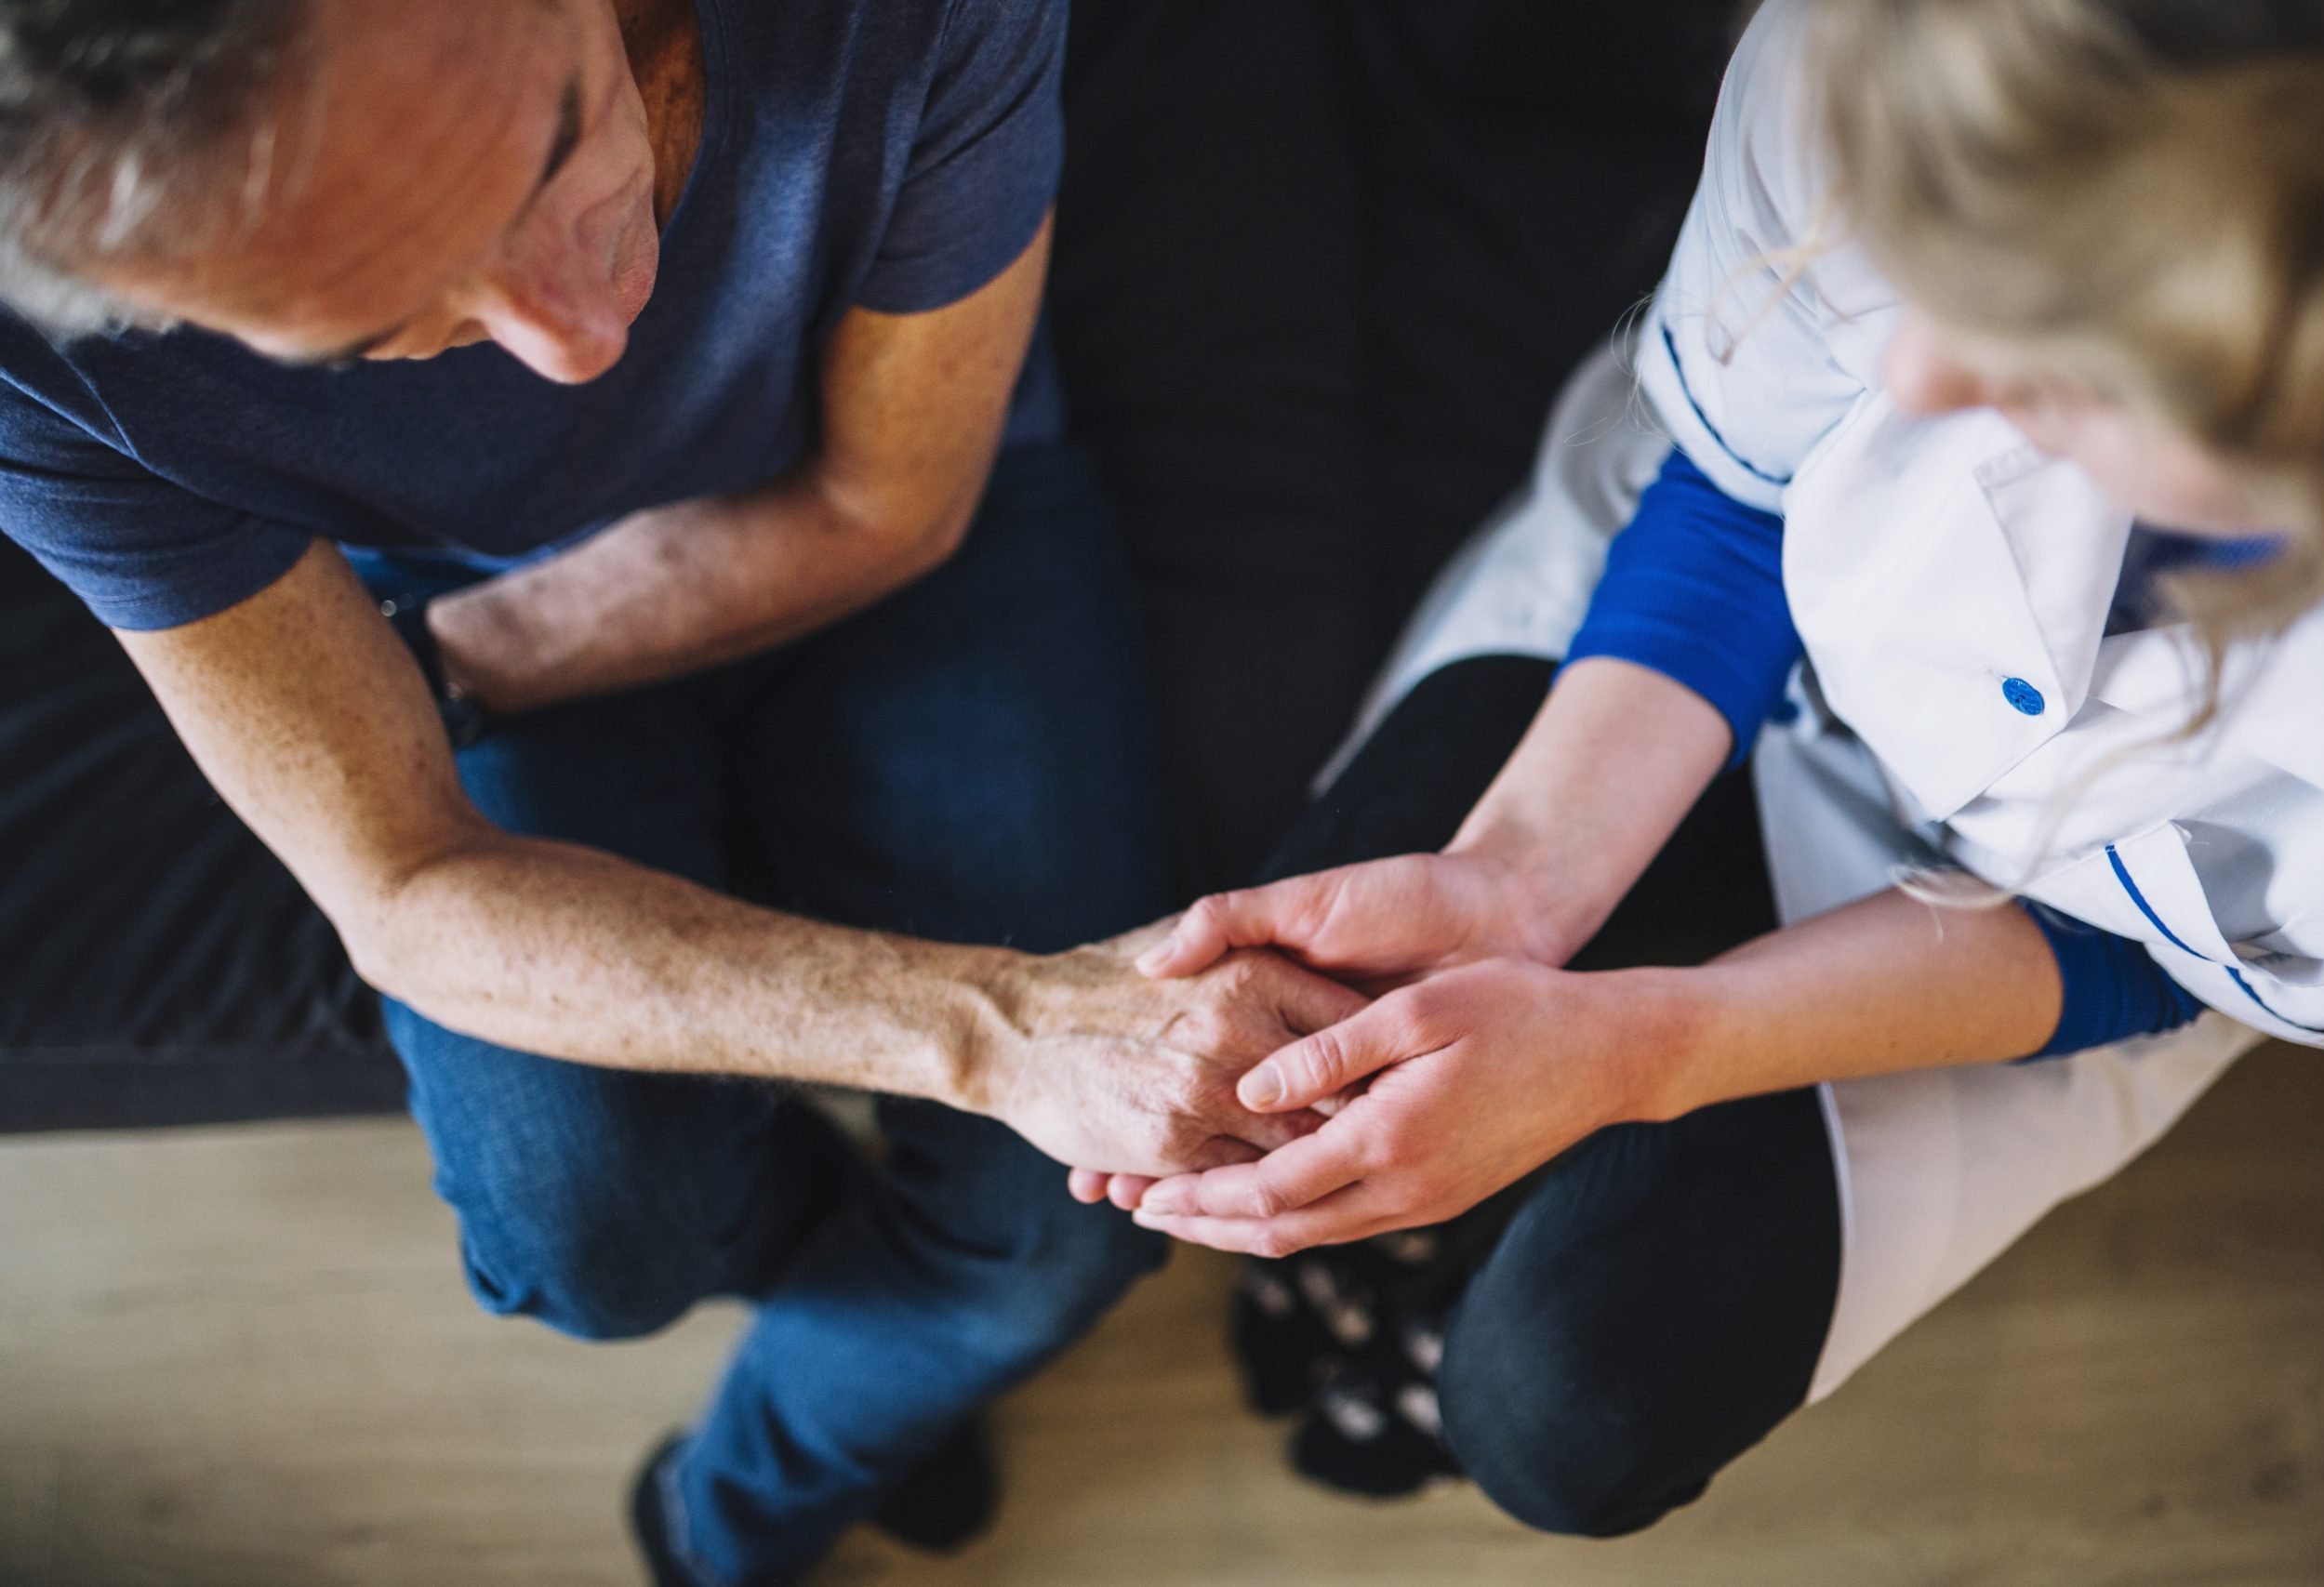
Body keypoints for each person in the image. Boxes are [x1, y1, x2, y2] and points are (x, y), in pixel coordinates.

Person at [0, 3, 1366, 1582]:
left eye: (546, 151)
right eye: (370, 326)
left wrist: (425, 684)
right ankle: (865, 1341)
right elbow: (398, 884)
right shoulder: (40, 369)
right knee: (592, 1245)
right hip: (445, 601)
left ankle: (744, 1504)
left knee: (1052, 1237)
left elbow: (884, 508)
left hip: (908, 518)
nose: (577, 339)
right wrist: (993, 1030)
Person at [1069, 0, 2324, 1534]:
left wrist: (1642, 1047)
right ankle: (1379, 1264)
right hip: (1698, 645)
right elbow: (1744, 493)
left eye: (2060, 341)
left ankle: (1439, 1358)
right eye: (1929, 253)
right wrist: (1522, 876)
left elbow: (2171, 955)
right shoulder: (1889, 44)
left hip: (2069, 921)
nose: (1928, 377)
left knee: (1567, 1409)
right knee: (1332, 999)